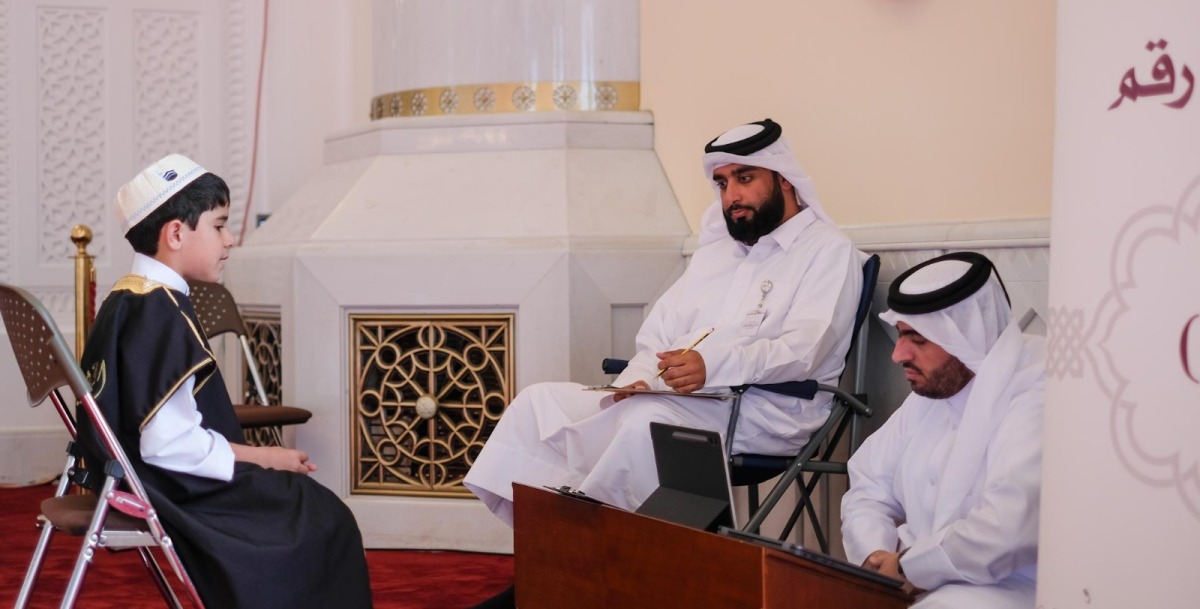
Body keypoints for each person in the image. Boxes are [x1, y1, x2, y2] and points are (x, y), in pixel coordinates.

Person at [463, 118, 863, 527]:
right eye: (722, 183)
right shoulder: (716, 255)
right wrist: (635, 380)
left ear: (784, 179)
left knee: (645, 424)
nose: (732, 196)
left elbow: (805, 350)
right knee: (539, 403)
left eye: (745, 178)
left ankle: (606, 549)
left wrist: (713, 366)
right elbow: (658, 337)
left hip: (766, 410)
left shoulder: (827, 251)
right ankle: (550, 544)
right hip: (681, 400)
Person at [77, 154, 373, 609]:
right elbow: (167, 445)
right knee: (323, 516)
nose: (230, 239)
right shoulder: (160, 311)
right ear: (176, 233)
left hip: (131, 479)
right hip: (174, 489)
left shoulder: (126, 297)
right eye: (219, 225)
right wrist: (264, 456)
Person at [840, 252, 1044, 608]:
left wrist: (909, 568)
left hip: (1009, 589)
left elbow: (1005, 532)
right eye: (900, 335)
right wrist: (876, 558)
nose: (898, 355)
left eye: (918, 339)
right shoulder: (933, 392)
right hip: (912, 580)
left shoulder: (1036, 393)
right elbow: (868, 485)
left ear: (967, 336)